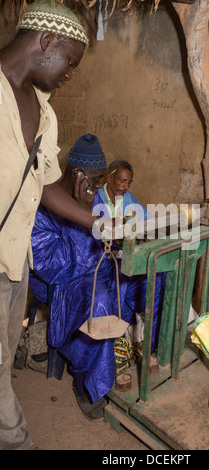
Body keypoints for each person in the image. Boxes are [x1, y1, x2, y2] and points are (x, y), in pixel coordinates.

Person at [0, 0, 101, 450]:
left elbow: (44, 185)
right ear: (46, 42)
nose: (69, 75)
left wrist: (101, 222)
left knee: (1, 363)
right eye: (70, 63)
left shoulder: (44, 111)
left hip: (13, 260)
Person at [29, 134, 166, 420]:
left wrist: (125, 244)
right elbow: (52, 265)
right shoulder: (42, 207)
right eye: (95, 179)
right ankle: (89, 385)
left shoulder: (94, 199)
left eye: (102, 179)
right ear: (77, 174)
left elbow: (106, 245)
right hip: (61, 284)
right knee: (100, 301)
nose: (99, 186)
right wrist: (88, 225)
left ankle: (140, 345)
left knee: (153, 272)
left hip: (99, 270)